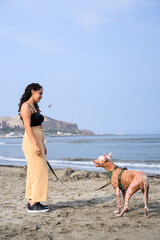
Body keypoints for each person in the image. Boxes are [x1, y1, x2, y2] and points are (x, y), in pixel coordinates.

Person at [18, 83, 49, 213]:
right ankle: (33, 203)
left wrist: (43, 144)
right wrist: (36, 144)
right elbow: (27, 127)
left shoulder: (34, 106)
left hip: (38, 139)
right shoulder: (26, 106)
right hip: (31, 141)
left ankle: (33, 201)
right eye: (40, 93)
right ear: (32, 91)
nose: (41, 96)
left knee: (34, 172)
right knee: (39, 171)